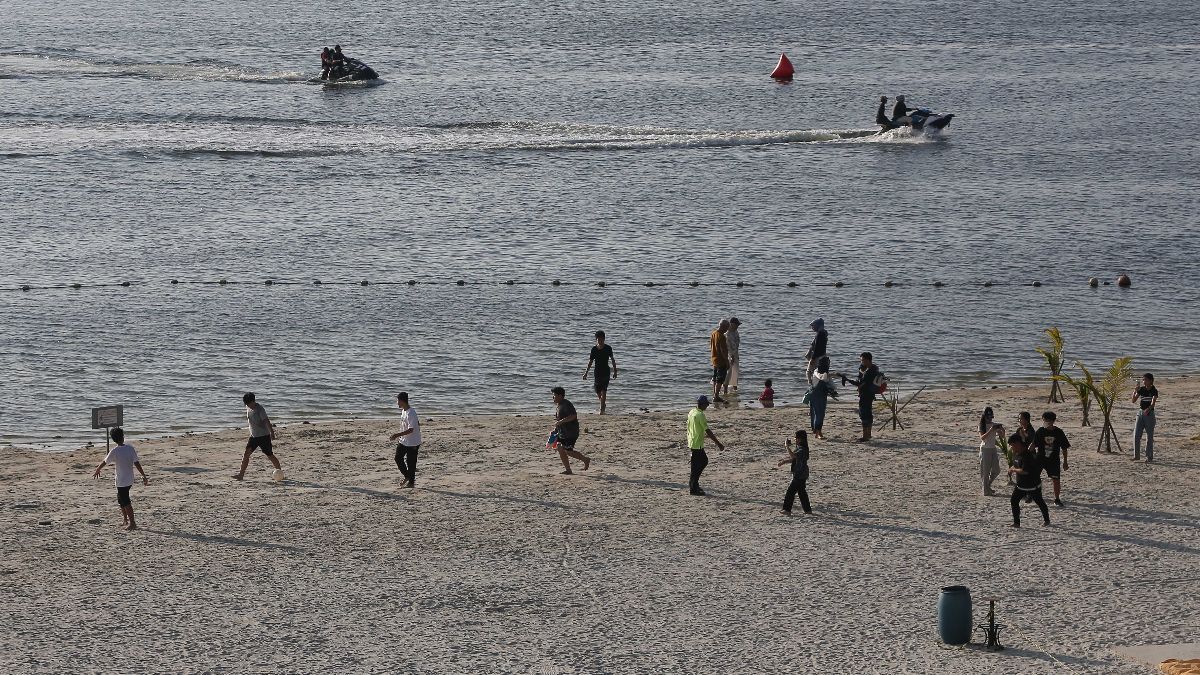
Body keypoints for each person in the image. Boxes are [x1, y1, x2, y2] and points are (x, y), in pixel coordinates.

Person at [90, 427, 148, 530]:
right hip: (129, 479)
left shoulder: (115, 451)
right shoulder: (130, 448)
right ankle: (125, 520)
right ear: (123, 437)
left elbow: (105, 462)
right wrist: (143, 475)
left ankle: (132, 523)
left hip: (122, 481)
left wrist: (98, 469)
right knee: (121, 500)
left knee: (126, 501)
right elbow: (137, 463)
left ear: (113, 439)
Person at [234, 392, 283, 481]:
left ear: (254, 401)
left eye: (250, 403)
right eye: (247, 404)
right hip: (253, 437)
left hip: (263, 436)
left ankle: (280, 473)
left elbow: (266, 421)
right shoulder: (248, 407)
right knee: (246, 454)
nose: (248, 406)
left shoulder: (260, 409)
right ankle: (241, 475)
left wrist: (272, 432)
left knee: (270, 455)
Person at [1007, 433, 1050, 528]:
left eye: (1012, 445)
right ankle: (1016, 523)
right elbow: (1017, 465)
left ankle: (1047, 520)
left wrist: (1013, 470)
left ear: (1018, 443)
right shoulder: (1016, 453)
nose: (1011, 448)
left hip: (1032, 485)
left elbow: (1025, 471)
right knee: (1014, 501)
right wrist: (1012, 468)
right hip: (1021, 485)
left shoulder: (1027, 455)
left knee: (1039, 502)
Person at [687, 395, 724, 496]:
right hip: (697, 443)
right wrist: (718, 443)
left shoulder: (692, 412)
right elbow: (708, 431)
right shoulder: (700, 415)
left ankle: (694, 484)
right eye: (706, 404)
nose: (707, 406)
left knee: (696, 465)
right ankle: (693, 487)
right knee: (702, 462)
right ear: (702, 404)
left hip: (691, 441)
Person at [841, 352, 881, 442]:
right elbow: (861, 380)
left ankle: (865, 436)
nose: (861, 362)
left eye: (862, 360)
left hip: (866, 395)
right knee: (868, 413)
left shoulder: (869, 371)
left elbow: (859, 383)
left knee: (864, 414)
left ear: (868, 360)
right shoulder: (874, 368)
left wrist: (847, 379)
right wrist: (861, 372)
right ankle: (868, 435)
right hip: (870, 394)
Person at [550, 387, 590, 475]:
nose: (553, 397)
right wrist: (556, 429)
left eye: (554, 396)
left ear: (560, 396)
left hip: (570, 432)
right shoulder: (559, 405)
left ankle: (585, 459)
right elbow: (559, 419)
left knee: (568, 451)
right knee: (560, 449)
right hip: (562, 432)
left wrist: (561, 421)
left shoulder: (566, 404)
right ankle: (568, 470)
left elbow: (573, 416)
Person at [1034, 411, 1070, 506]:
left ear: (1052, 421)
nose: (1045, 422)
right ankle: (1032, 495)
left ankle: (1057, 498)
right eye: (1044, 420)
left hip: (1053, 459)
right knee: (1034, 477)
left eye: (1046, 420)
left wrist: (1065, 462)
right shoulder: (1040, 431)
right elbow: (1033, 444)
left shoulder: (1058, 432)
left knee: (1056, 479)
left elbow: (1064, 448)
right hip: (1040, 458)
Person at [388, 392, 422, 488]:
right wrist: (400, 436)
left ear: (402, 401)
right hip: (404, 440)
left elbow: (411, 429)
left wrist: (397, 435)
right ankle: (407, 476)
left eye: (398, 401)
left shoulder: (411, 413)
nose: (397, 403)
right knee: (398, 458)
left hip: (413, 442)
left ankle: (411, 482)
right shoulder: (404, 411)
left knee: (411, 463)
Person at [777, 430, 812, 515]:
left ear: (800, 439)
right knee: (802, 492)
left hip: (800, 474)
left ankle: (787, 509)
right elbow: (794, 459)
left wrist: (787, 447)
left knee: (791, 492)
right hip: (801, 474)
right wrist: (784, 462)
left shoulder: (802, 449)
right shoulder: (801, 448)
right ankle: (807, 510)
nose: (795, 440)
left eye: (796, 438)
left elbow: (793, 456)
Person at [582, 331, 617, 414]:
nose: (600, 341)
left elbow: (612, 360)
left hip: (606, 371)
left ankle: (602, 409)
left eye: (601, 339)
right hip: (597, 372)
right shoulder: (594, 349)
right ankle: (603, 403)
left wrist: (615, 371)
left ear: (604, 339)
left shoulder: (608, 348)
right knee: (597, 390)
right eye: (598, 339)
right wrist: (586, 372)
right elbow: (590, 362)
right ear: (596, 340)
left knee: (604, 390)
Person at [1131, 373, 1158, 462]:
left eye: (1145, 379)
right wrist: (1135, 391)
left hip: (1149, 414)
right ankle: (1136, 456)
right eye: (1143, 380)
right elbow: (1133, 400)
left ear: (1150, 380)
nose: (1144, 381)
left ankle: (1149, 457)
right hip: (1140, 412)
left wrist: (1149, 409)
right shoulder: (1141, 389)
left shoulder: (1154, 390)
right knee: (1136, 434)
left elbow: (1153, 402)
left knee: (1149, 436)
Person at [809, 356, 837, 439]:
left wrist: (832, 390)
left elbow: (833, 385)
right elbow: (822, 377)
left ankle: (819, 431)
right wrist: (831, 375)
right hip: (815, 394)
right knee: (816, 414)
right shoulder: (816, 371)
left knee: (821, 414)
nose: (827, 365)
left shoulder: (826, 373)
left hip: (822, 395)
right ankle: (817, 432)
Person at [978, 407, 1004, 496]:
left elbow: (1002, 436)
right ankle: (985, 490)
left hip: (993, 449)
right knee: (985, 471)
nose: (990, 419)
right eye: (988, 417)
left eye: (991, 417)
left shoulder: (994, 425)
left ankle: (987, 485)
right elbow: (982, 438)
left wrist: (1001, 430)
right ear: (984, 417)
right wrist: (991, 430)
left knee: (996, 470)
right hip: (985, 449)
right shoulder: (982, 425)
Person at [709, 319, 731, 403]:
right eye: (727, 327)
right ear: (723, 326)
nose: (727, 330)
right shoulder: (721, 336)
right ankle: (716, 396)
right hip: (721, 360)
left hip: (714, 359)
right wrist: (727, 362)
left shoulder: (713, 333)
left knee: (715, 378)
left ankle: (715, 394)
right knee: (720, 379)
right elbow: (723, 351)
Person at [805, 318, 828, 383]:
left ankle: (812, 385)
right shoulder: (824, 333)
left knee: (809, 372)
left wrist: (813, 358)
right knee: (818, 371)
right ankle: (818, 383)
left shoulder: (820, 334)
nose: (812, 328)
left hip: (817, 356)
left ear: (818, 325)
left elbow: (817, 347)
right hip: (823, 355)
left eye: (813, 326)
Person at [724, 317, 742, 395]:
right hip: (728, 355)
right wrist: (731, 356)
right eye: (736, 325)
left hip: (735, 354)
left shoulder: (736, 332)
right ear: (731, 324)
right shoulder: (727, 334)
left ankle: (735, 389)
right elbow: (727, 347)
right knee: (728, 372)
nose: (737, 326)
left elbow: (737, 343)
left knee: (735, 372)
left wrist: (735, 355)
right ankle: (725, 389)